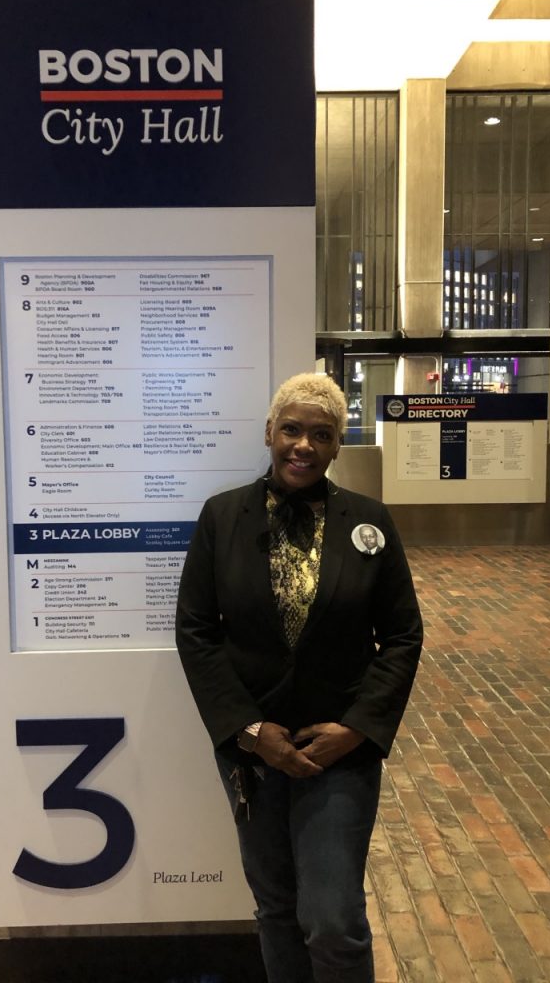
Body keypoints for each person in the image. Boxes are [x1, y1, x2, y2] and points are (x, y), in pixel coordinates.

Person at [176, 372, 423, 983]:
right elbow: (197, 631)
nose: (303, 445)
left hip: (338, 750)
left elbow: (402, 637)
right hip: (253, 751)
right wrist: (249, 728)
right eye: (292, 429)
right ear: (269, 432)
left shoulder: (369, 522)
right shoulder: (221, 517)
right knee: (277, 909)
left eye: (321, 434)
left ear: (338, 445)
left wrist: (357, 729)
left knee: (333, 918)